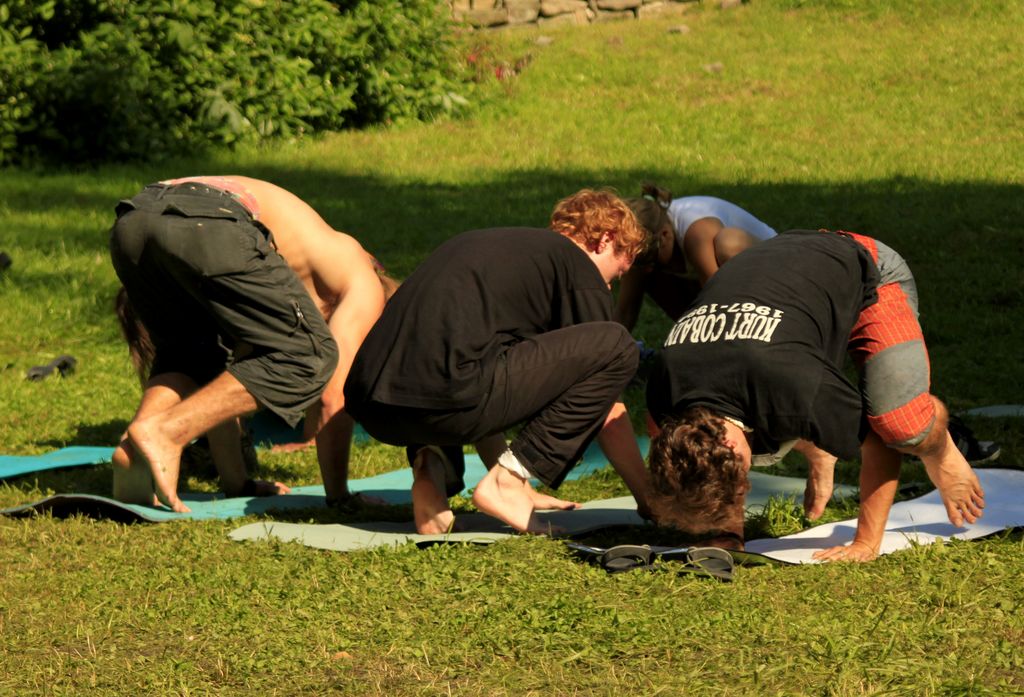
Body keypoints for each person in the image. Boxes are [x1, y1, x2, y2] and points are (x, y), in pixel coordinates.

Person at [644, 229, 985, 562]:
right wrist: (729, 533)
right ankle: (820, 446)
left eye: (738, 488)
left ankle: (941, 452)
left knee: (899, 425)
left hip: (867, 269)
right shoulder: (665, 390)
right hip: (782, 272)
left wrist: (865, 542)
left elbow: (877, 444)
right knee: (763, 444)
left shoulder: (792, 386)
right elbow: (708, 461)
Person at [344, 189, 653, 534]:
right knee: (617, 346)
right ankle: (507, 484)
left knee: (462, 362)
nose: (609, 287)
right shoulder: (577, 267)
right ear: (606, 240)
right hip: (446, 398)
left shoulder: (502, 250)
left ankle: (429, 468)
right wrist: (650, 499)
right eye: (617, 272)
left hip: (374, 405)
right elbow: (609, 410)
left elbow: (494, 370)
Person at [109, 175, 395, 512]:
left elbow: (226, 382)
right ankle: (166, 432)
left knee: (191, 354)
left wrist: (237, 484)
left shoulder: (276, 285)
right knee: (308, 357)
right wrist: (339, 497)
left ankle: (133, 453)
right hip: (209, 221)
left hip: (134, 220)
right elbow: (333, 396)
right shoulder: (363, 281)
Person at [615, 183, 776, 331]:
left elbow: (717, 304)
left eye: (649, 258)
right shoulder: (642, 243)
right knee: (645, 275)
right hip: (728, 290)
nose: (648, 267)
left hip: (777, 271)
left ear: (664, 235)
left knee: (727, 244)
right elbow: (624, 312)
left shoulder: (697, 233)